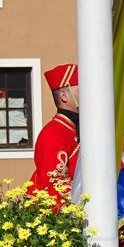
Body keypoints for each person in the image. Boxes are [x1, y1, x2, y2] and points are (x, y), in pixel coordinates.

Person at [28, 63, 80, 202]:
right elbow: (54, 182)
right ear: (64, 96)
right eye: (80, 90)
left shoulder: (74, 128)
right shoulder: (54, 133)